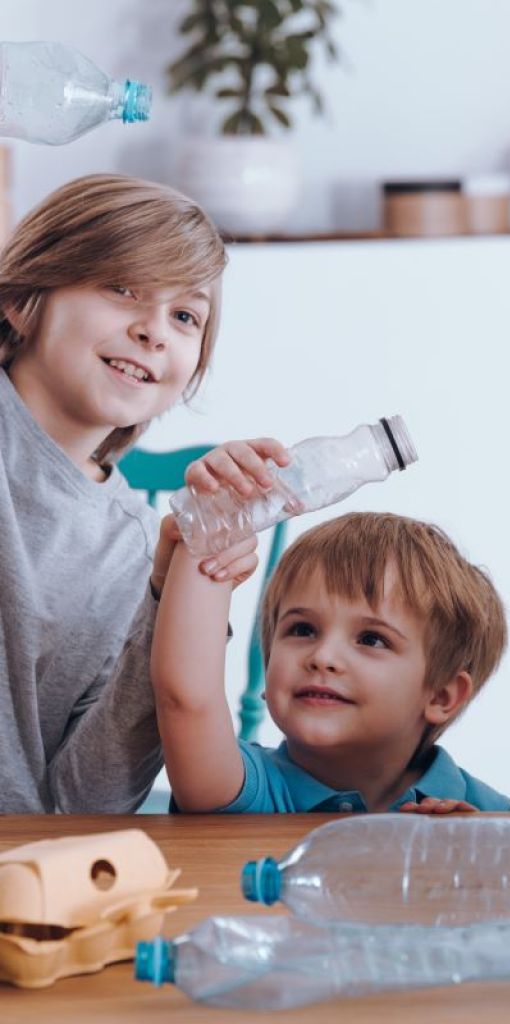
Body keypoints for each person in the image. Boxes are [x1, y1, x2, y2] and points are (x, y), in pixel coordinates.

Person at [0, 173, 289, 812]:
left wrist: (167, 594)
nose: (154, 330)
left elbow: (84, 802)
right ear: (23, 300)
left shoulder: (132, 546)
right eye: (122, 288)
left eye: (185, 315)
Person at [151, 511, 510, 813]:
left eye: (372, 639)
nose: (322, 657)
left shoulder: (487, 813)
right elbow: (187, 699)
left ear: (441, 696)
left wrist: (477, 860)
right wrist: (211, 527)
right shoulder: (239, 787)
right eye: (303, 629)